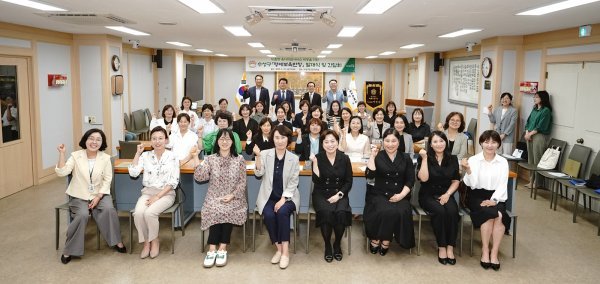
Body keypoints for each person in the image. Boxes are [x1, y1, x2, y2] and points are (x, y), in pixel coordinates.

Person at [55, 129, 126, 264]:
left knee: (108, 209)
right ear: (85, 140)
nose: (94, 142)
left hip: (100, 194)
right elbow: (62, 172)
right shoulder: (75, 156)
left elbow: (107, 179)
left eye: (98, 139)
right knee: (82, 215)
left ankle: (117, 241)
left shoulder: (105, 158)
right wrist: (62, 154)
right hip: (79, 195)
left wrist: (98, 197)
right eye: (91, 138)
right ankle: (69, 249)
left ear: (102, 142)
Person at [193, 129, 248, 268]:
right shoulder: (210, 159)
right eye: (222, 139)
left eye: (228, 139)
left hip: (234, 197)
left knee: (226, 210)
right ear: (217, 141)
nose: (224, 142)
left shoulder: (239, 159)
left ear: (232, 142)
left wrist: (232, 195)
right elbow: (200, 177)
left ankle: (222, 248)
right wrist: (195, 158)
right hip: (214, 197)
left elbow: (242, 182)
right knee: (215, 209)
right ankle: (212, 249)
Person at [461, 130, 510, 271]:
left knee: (500, 216)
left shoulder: (503, 162)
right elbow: (473, 184)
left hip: (497, 195)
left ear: (498, 144)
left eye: (494, 142)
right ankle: (485, 251)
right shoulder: (474, 160)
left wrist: (494, 200)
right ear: (481, 143)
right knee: (489, 215)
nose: (490, 145)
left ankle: (494, 253)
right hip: (477, 195)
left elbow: (503, 184)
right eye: (486, 142)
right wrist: (469, 170)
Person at [128, 126, 179, 259]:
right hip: (147, 192)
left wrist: (157, 196)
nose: (157, 141)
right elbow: (133, 173)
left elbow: (174, 182)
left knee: (150, 213)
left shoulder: (173, 156)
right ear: (150, 141)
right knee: (138, 213)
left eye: (161, 138)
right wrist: (137, 154)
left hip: (166, 194)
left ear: (166, 140)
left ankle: (154, 240)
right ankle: (146, 242)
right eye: (154, 138)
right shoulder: (145, 155)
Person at [254, 125, 300, 269]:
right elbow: (258, 174)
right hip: (269, 197)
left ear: (288, 139)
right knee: (268, 214)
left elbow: (293, 182)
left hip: (289, 197)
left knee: (282, 212)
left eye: (283, 137)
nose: (280, 141)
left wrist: (283, 199)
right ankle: (278, 249)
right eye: (277, 137)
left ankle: (285, 253)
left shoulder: (294, 158)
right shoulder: (265, 153)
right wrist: (257, 156)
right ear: (272, 139)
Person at [364, 129, 415, 255]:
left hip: (400, 193)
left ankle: (386, 240)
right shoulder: (379, 156)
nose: (390, 144)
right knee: (383, 210)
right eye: (387, 141)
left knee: (401, 210)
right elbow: (369, 175)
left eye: (393, 141)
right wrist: (372, 156)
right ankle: (376, 238)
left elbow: (410, 180)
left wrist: (402, 195)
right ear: (383, 141)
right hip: (379, 193)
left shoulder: (406, 157)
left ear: (399, 142)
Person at [417, 131, 460, 265]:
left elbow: (456, 181)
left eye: (441, 141)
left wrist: (447, 195)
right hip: (428, 194)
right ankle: (442, 247)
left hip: (446, 194)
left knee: (453, 212)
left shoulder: (453, 158)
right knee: (440, 212)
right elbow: (423, 179)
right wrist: (424, 159)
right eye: (435, 141)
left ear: (445, 142)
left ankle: (450, 247)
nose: (439, 144)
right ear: (430, 144)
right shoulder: (424, 157)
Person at [309, 130, 353, 262]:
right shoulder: (318, 157)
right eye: (326, 142)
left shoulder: (344, 158)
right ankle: (327, 244)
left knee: (340, 212)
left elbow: (348, 181)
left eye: (332, 141)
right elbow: (316, 182)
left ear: (337, 142)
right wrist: (315, 164)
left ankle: (337, 244)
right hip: (321, 193)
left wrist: (339, 195)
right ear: (322, 144)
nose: (330, 144)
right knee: (326, 212)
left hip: (340, 193)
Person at [524, 90, 553, 188]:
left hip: (539, 136)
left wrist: (530, 133)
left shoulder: (546, 111)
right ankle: (531, 181)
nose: (534, 99)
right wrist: (527, 132)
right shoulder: (534, 109)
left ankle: (538, 183)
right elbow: (528, 122)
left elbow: (541, 126)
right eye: (534, 97)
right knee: (530, 159)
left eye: (536, 97)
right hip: (530, 136)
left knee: (537, 159)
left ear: (542, 98)